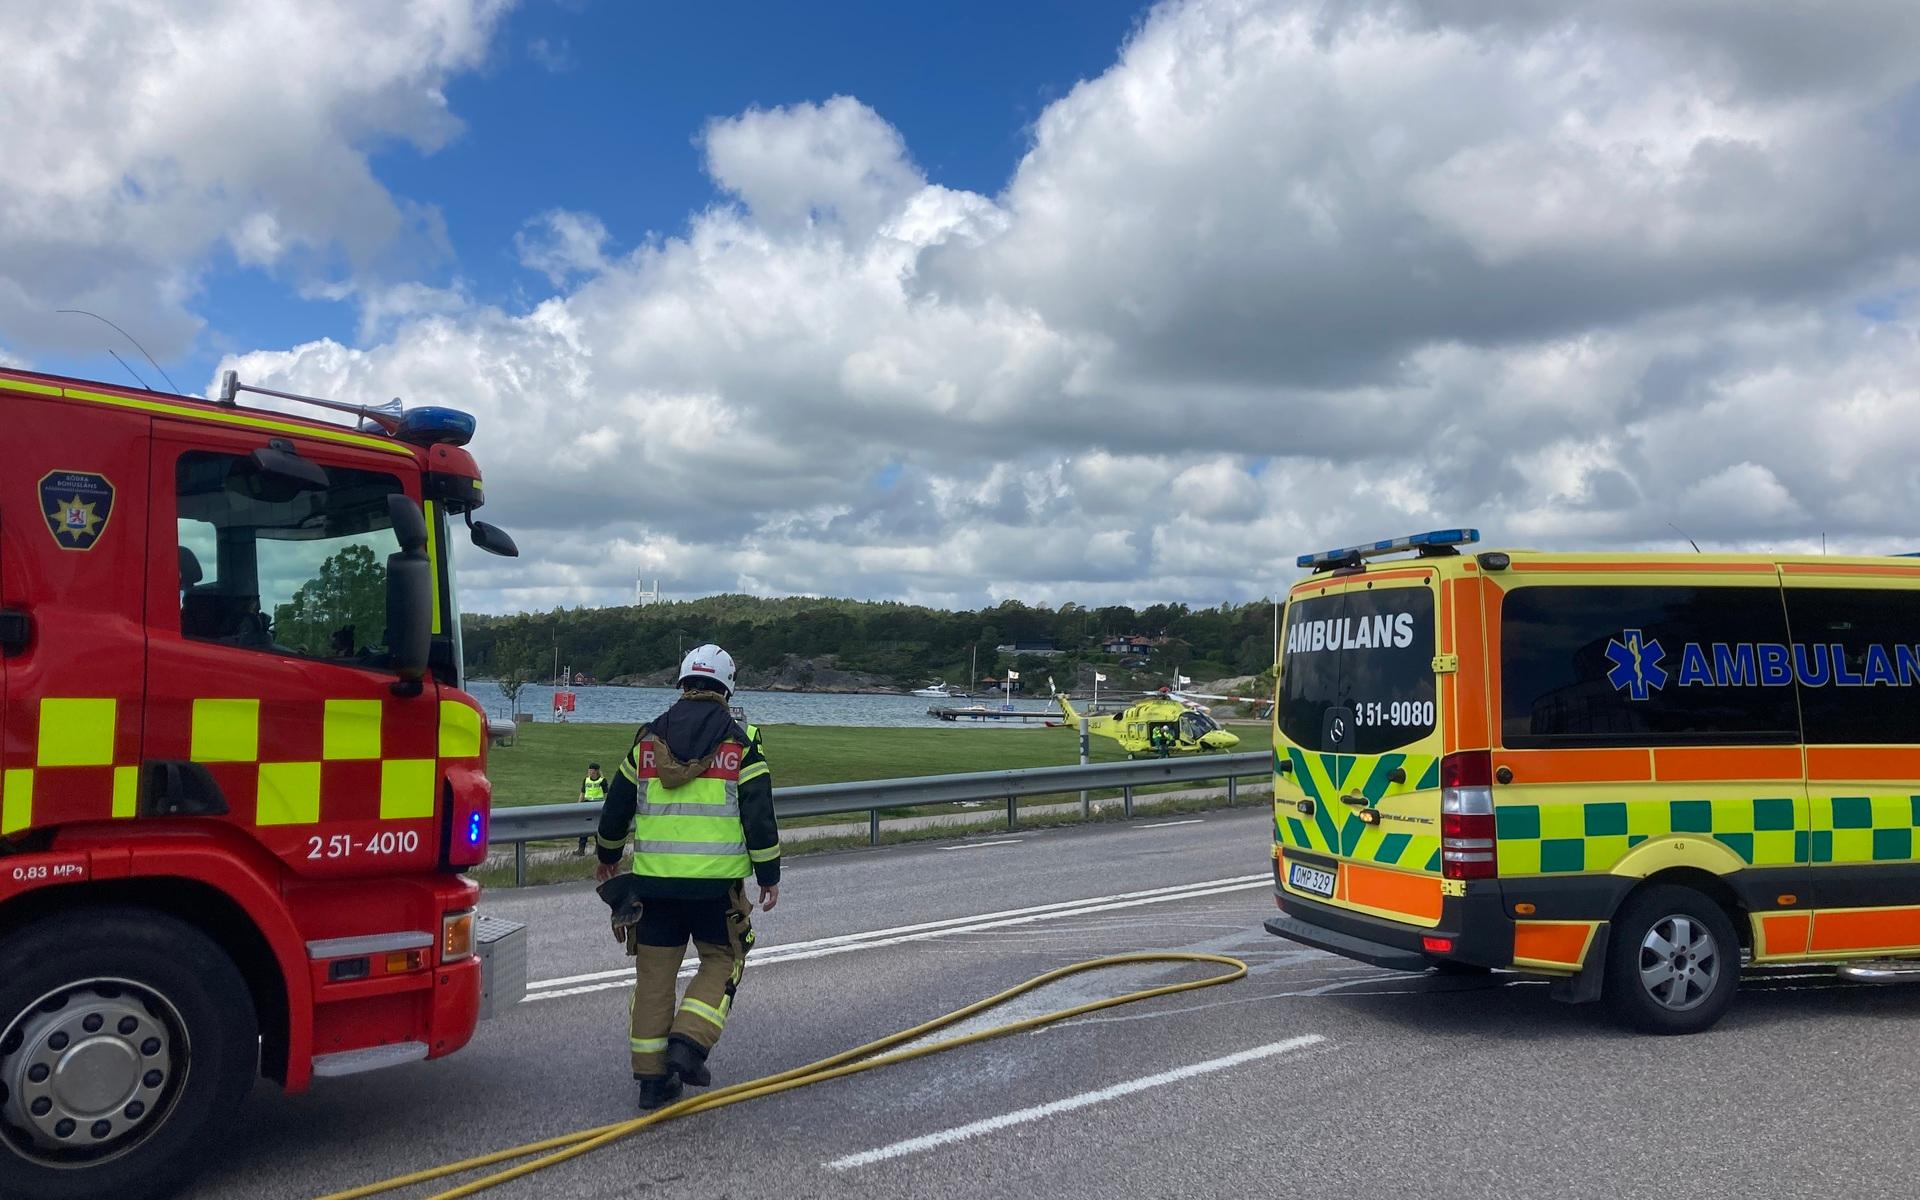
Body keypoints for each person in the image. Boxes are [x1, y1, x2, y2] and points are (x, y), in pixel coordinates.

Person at [593, 644, 780, 1111]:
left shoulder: (647, 741)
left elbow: (616, 805)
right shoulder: (740, 742)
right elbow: (758, 816)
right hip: (716, 889)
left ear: (682, 683)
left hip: (653, 885)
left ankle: (652, 1084)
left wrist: (608, 855)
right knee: (723, 959)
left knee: (655, 976)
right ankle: (688, 1046)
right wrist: (769, 874)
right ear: (726, 686)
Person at [576, 763, 608, 855]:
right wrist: (578, 804)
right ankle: (581, 849)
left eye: (592, 770)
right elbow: (582, 793)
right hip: (587, 804)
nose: (590, 772)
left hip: (598, 805)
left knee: (596, 827)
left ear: (596, 771)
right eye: (589, 770)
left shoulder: (602, 781)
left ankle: (598, 848)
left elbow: (606, 794)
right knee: (585, 827)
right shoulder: (586, 780)